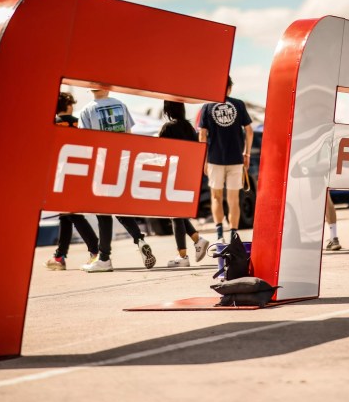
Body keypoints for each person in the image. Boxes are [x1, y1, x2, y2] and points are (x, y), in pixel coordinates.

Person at [79, 88, 156, 272]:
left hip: (101, 165)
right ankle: (139, 239)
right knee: (119, 208)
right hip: (122, 163)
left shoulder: (87, 110)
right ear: (108, 87)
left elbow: (85, 141)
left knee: (103, 212)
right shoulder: (121, 105)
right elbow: (129, 136)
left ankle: (104, 258)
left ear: (90, 88)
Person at [44, 91, 101, 271]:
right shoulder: (80, 123)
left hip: (61, 174)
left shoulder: (52, 124)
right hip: (81, 172)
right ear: (69, 105)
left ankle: (95, 250)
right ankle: (60, 256)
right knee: (66, 215)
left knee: (72, 214)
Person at [198, 76, 253, 243]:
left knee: (216, 197)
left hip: (214, 159)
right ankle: (234, 235)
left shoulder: (207, 107)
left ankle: (220, 236)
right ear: (229, 87)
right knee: (233, 199)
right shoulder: (239, 104)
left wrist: (204, 160)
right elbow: (249, 131)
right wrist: (247, 153)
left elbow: (202, 135)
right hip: (236, 158)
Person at [158, 100, 210, 267]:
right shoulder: (189, 128)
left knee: (175, 214)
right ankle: (197, 239)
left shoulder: (167, 128)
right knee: (177, 213)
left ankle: (183, 256)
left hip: (172, 174)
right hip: (188, 175)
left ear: (167, 110)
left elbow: (159, 151)